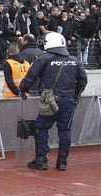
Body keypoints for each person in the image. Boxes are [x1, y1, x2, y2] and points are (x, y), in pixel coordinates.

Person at [17, 32, 87, 171]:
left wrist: (23, 88)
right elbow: (83, 81)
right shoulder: (75, 60)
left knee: (42, 127)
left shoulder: (44, 59)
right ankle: (62, 161)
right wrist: (75, 95)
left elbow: (31, 77)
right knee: (65, 130)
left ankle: (41, 159)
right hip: (68, 99)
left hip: (49, 97)